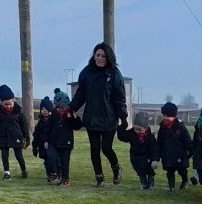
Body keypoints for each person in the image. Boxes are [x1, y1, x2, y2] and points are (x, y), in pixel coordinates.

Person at [69, 42, 128, 186]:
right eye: (98, 55)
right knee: (94, 149)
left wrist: (123, 117)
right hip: (92, 117)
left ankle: (116, 168)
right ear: (94, 56)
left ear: (108, 57)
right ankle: (99, 177)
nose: (100, 58)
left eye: (103, 56)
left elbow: (119, 97)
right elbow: (81, 93)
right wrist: (72, 108)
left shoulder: (114, 73)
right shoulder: (87, 72)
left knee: (106, 148)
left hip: (109, 117)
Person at [0, 84, 29, 180]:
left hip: (17, 136)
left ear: (13, 101)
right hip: (3, 137)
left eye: (10, 104)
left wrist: (26, 137)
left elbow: (24, 126)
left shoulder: (18, 112)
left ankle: (24, 170)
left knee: (19, 155)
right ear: (2, 103)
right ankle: (7, 173)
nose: (8, 106)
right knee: (4, 156)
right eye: (5, 104)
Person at [117, 111, 159, 190]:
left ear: (146, 128)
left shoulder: (151, 136)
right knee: (140, 171)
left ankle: (151, 184)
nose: (137, 131)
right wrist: (121, 128)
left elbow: (154, 149)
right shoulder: (131, 133)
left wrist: (155, 159)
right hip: (135, 157)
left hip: (148, 157)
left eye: (140, 130)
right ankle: (144, 184)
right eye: (136, 129)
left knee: (150, 170)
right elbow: (123, 137)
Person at [157, 101, 192, 192]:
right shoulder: (162, 128)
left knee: (182, 170)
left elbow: (187, 140)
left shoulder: (181, 127)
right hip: (167, 154)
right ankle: (171, 187)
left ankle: (185, 180)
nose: (165, 118)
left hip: (180, 154)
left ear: (174, 116)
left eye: (168, 116)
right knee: (169, 171)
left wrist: (189, 151)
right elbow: (159, 141)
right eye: (164, 115)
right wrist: (159, 153)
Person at [48, 90, 79, 186]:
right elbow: (48, 127)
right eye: (59, 108)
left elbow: (77, 126)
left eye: (63, 108)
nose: (61, 110)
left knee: (64, 161)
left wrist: (73, 118)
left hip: (66, 142)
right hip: (54, 141)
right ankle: (54, 173)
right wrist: (45, 140)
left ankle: (65, 179)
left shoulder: (70, 114)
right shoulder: (53, 114)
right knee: (51, 155)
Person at [33, 96, 57, 182]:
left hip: (52, 144)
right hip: (42, 146)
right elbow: (36, 136)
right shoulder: (39, 124)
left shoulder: (54, 121)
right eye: (42, 109)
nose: (44, 111)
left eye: (46, 109)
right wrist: (34, 147)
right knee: (46, 161)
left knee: (55, 160)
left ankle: (57, 174)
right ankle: (49, 174)